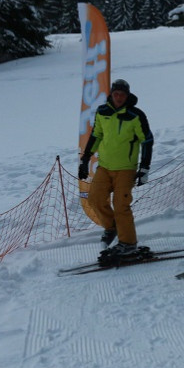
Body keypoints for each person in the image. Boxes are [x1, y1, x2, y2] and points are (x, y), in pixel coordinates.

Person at [78, 78, 153, 256]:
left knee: (121, 206)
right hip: (104, 167)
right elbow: (96, 135)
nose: (119, 97)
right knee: (94, 199)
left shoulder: (136, 115)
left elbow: (147, 141)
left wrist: (144, 168)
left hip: (126, 169)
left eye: (122, 94)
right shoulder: (102, 111)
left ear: (127, 96)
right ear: (111, 94)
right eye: (116, 94)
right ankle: (111, 227)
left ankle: (128, 243)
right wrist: (85, 159)